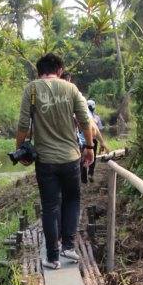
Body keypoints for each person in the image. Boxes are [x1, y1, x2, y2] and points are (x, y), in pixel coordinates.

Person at [16, 53, 94, 269]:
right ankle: (68, 246)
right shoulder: (71, 89)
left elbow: (23, 124)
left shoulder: (31, 89)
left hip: (45, 161)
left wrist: (19, 149)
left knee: (50, 206)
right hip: (71, 159)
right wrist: (89, 147)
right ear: (59, 70)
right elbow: (85, 120)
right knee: (72, 201)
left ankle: (52, 257)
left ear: (39, 71)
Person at [81, 99, 107, 184]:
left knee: (84, 158)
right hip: (93, 140)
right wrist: (102, 142)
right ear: (94, 107)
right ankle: (90, 174)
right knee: (92, 157)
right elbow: (98, 130)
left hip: (84, 141)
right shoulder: (96, 117)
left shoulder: (80, 115)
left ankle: (84, 178)